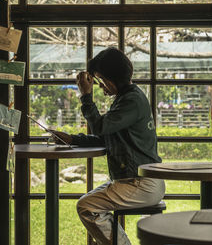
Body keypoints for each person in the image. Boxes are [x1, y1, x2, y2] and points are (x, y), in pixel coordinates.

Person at [51, 47, 165, 245]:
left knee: (86, 206)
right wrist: (72, 139)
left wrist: (86, 96)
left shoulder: (131, 100)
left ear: (112, 79)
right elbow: (106, 138)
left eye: (100, 80)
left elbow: (100, 127)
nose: (100, 87)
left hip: (142, 184)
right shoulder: (127, 98)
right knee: (89, 203)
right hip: (136, 181)